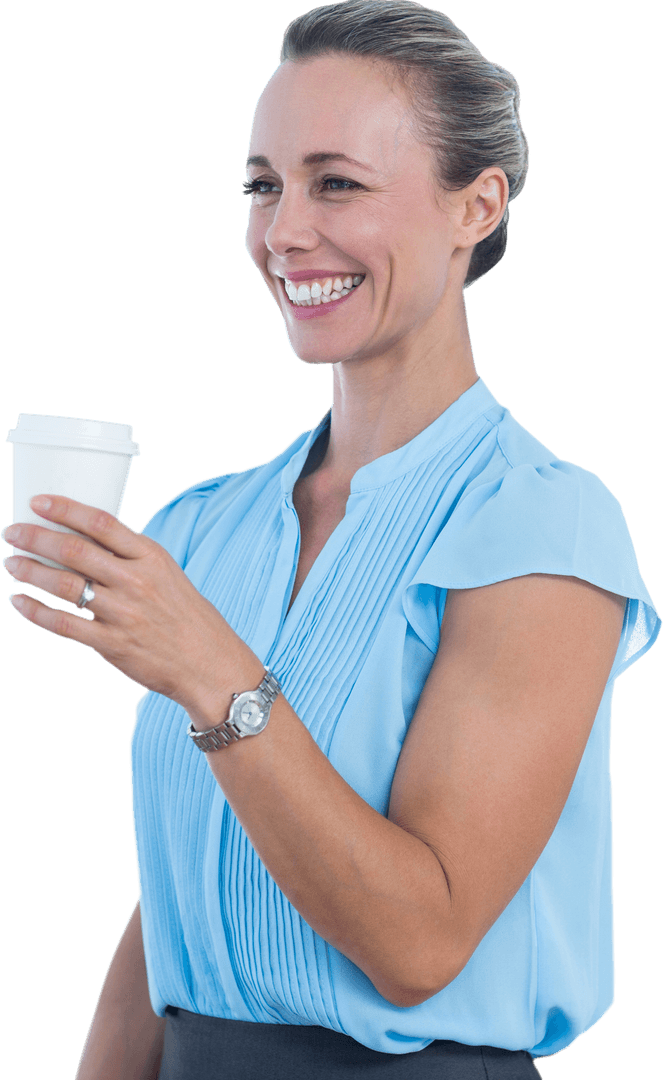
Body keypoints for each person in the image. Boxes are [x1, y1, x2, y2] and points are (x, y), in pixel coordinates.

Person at [2, 2, 659, 1078]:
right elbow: (184, 890)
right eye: (263, 185)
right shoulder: (204, 524)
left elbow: (420, 943)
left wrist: (210, 671)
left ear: (476, 206)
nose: (283, 232)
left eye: (337, 183)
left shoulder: (540, 523)